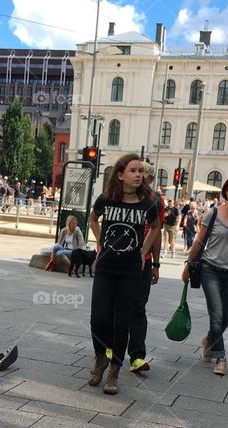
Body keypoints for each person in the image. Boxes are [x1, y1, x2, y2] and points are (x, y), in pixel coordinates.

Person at [88, 153, 160, 394]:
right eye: (133, 170)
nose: (139, 174)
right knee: (99, 317)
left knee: (122, 321)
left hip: (131, 270)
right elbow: (93, 218)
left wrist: (144, 252)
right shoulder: (107, 199)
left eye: (141, 171)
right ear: (120, 175)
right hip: (106, 266)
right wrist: (100, 243)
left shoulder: (148, 202)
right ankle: (100, 358)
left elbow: (156, 227)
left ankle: (114, 372)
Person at [180, 172, 228, 376]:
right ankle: (221, 356)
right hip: (210, 269)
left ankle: (208, 340)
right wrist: (188, 265)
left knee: (227, 318)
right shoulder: (213, 213)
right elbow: (198, 241)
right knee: (216, 315)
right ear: (225, 190)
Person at [127, 162, 163, 374]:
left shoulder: (156, 202)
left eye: (144, 175)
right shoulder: (120, 196)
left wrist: (155, 263)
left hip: (144, 260)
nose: (142, 179)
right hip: (121, 260)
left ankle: (137, 356)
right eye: (137, 173)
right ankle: (111, 349)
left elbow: (156, 233)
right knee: (117, 306)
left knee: (138, 308)